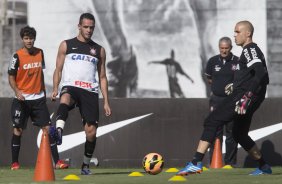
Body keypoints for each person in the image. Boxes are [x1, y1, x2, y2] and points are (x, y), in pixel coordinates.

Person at [177, 20, 272, 176]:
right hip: (247, 95)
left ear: (248, 33)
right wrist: (236, 85)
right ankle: (263, 166)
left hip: (244, 97)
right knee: (239, 134)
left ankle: (195, 162)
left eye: (237, 32)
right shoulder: (248, 51)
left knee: (212, 121)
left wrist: (246, 95)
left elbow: (260, 73)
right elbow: (253, 74)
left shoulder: (250, 49)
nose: (235, 35)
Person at [51, 13, 111, 175]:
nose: (89, 30)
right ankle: (58, 131)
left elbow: (103, 77)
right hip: (71, 86)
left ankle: (85, 165)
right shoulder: (66, 45)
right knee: (65, 98)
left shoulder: (99, 50)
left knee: (91, 131)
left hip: (90, 91)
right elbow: (58, 69)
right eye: (86, 27)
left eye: (91, 27)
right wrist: (56, 87)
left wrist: (106, 101)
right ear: (79, 26)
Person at [7, 26, 68, 170]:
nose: (29, 41)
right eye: (26, 38)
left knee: (48, 129)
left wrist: (48, 91)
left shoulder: (40, 53)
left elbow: (40, 74)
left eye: (31, 38)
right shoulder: (16, 56)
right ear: (22, 39)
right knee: (18, 130)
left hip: (38, 99)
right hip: (21, 99)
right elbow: (11, 77)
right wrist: (17, 91)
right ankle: (15, 163)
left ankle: (58, 162)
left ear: (34, 39)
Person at [205, 37, 238, 168]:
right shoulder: (212, 61)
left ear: (231, 48)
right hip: (216, 101)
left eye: (226, 48)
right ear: (219, 48)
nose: (224, 51)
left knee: (231, 132)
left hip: (231, 101)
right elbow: (209, 78)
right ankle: (214, 161)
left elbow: (241, 80)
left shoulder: (237, 61)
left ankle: (230, 163)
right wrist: (218, 89)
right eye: (222, 48)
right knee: (215, 131)